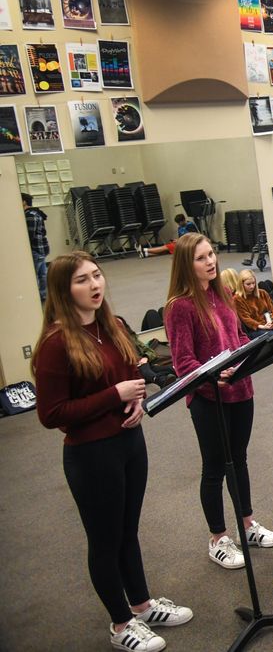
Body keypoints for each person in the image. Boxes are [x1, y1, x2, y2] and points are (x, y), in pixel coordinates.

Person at [33, 251, 194, 652]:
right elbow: (51, 414)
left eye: (97, 276)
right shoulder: (57, 343)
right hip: (91, 454)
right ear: (63, 290)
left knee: (128, 532)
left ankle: (141, 605)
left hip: (129, 443)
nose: (95, 285)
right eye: (82, 280)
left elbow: (131, 378)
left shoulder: (114, 326)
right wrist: (114, 395)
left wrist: (136, 401)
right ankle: (120, 624)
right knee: (104, 540)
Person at [165, 232, 273, 570]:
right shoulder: (180, 306)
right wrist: (211, 376)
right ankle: (218, 538)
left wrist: (251, 353)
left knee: (240, 459)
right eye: (202, 258)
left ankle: (247, 525)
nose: (211, 261)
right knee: (215, 467)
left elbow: (239, 337)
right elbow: (182, 361)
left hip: (240, 390)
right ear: (187, 266)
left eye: (211, 254)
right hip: (208, 397)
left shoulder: (223, 295)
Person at [233, 269, 273, 339]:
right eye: (248, 284)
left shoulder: (262, 293)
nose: (252, 286)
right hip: (255, 329)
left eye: (253, 283)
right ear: (241, 284)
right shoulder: (237, 299)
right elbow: (246, 319)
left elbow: (272, 308)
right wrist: (262, 326)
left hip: (268, 323)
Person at [24, 192, 49, 301]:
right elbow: (43, 231)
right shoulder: (37, 213)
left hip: (35, 249)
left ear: (24, 202)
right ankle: (43, 295)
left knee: (34, 275)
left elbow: (30, 235)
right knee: (42, 274)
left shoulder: (29, 215)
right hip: (41, 248)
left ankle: (36, 298)